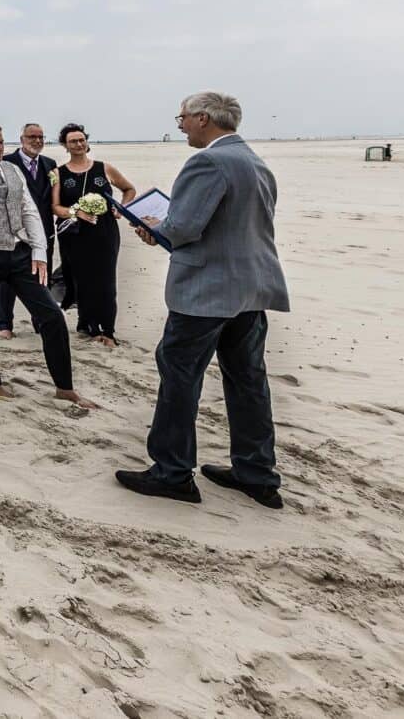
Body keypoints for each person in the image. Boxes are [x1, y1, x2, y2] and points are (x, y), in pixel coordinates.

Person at [118, 92, 289, 509]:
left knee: (179, 377)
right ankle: (256, 473)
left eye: (181, 118)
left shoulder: (207, 161)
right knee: (248, 380)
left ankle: (173, 472)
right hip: (251, 289)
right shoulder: (254, 160)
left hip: (206, 293)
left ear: (202, 119)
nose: (179, 126)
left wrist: (155, 227)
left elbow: (184, 227)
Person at [0, 122, 97, 408]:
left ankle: (64, 386)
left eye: (1, 142)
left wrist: (39, 249)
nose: (0, 147)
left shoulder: (12, 171)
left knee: (51, 315)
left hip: (19, 254)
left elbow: (28, 210)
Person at [50, 123, 137, 346]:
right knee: (81, 279)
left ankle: (107, 329)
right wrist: (75, 212)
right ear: (65, 145)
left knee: (106, 280)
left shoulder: (104, 168)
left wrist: (121, 208)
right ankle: (88, 325)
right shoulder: (59, 173)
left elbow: (129, 189)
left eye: (81, 140)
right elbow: (55, 207)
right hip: (74, 233)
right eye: (73, 141)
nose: (78, 144)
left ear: (87, 142)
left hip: (104, 232)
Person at [7, 123, 61, 326]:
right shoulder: (6, 162)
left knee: (42, 275)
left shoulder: (50, 163)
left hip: (45, 229)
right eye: (32, 137)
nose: (37, 141)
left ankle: (40, 320)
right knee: (8, 278)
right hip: (15, 231)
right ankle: (4, 323)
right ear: (22, 139)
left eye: (40, 137)